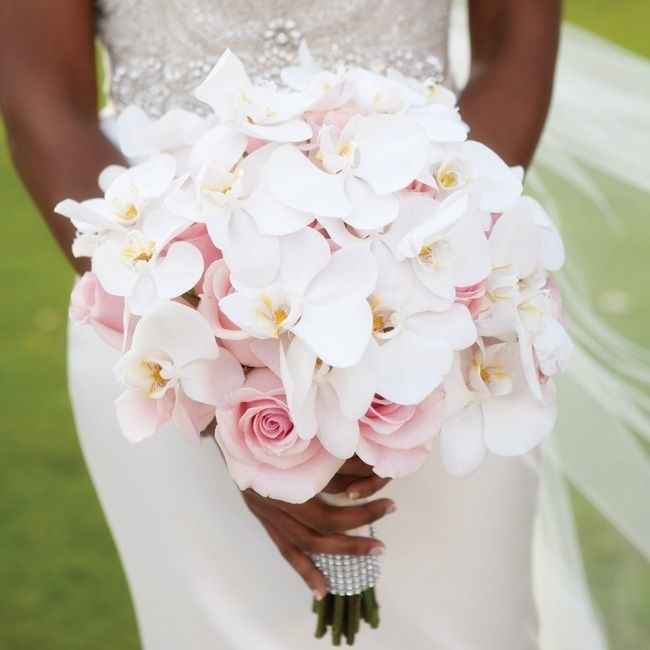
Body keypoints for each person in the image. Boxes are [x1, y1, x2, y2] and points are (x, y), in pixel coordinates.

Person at [2, 2, 648, 648]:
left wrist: (430, 276)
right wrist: (214, 374)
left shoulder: (442, 292)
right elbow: (42, 98)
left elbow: (513, 49)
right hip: (157, 326)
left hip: (441, 305)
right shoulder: (171, 341)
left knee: (466, 622)